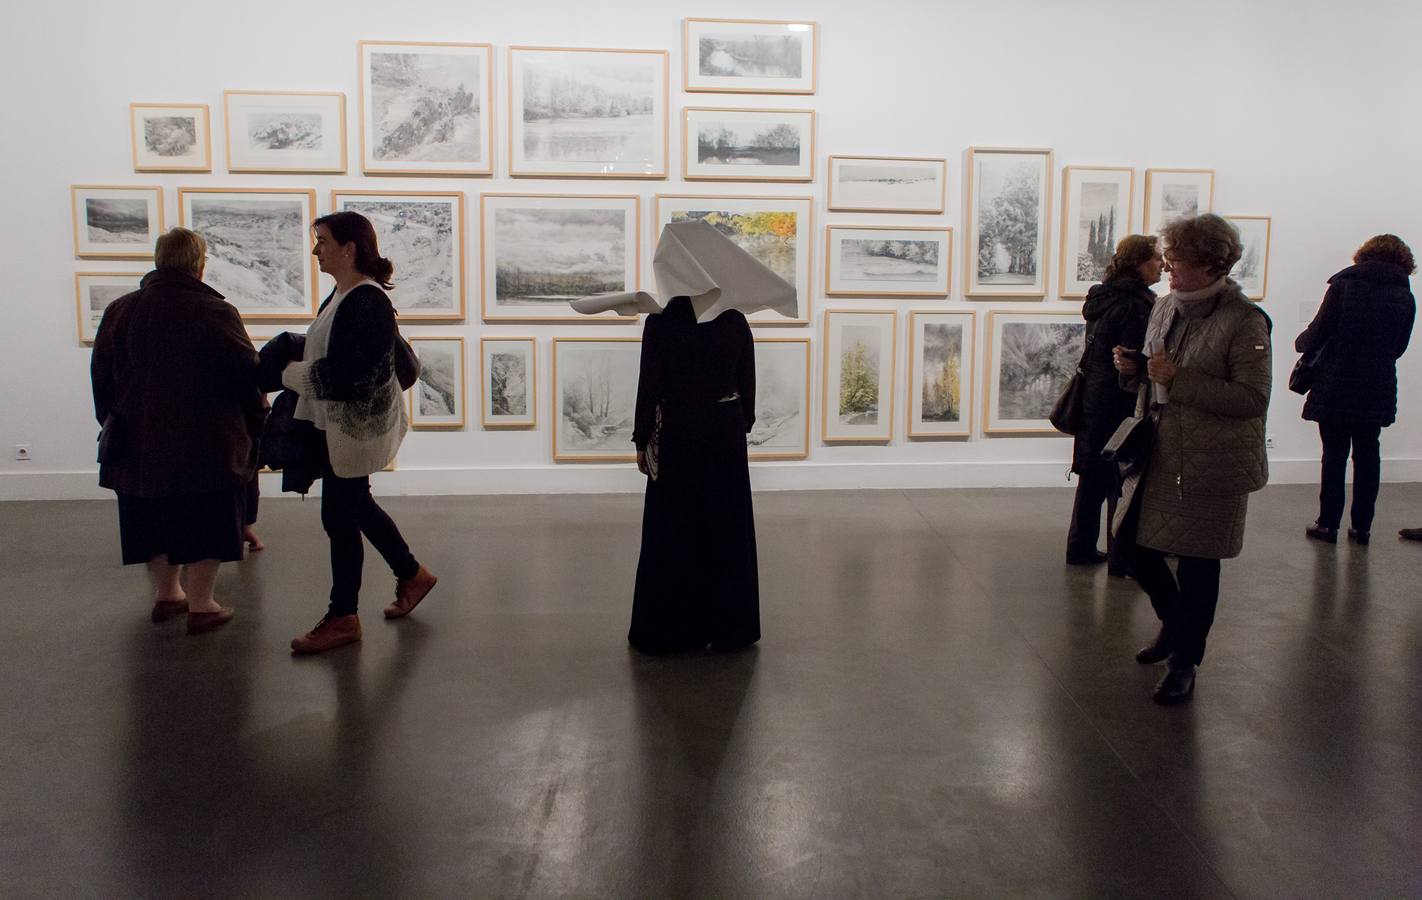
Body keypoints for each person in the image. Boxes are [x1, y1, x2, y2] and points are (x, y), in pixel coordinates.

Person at [571, 220, 795, 654]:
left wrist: (641, 440)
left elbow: (649, 385)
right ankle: (729, 627)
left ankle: (671, 629)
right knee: (725, 527)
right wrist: (737, 424)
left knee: (673, 529)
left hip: (677, 436)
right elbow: (746, 387)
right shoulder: (733, 320)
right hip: (723, 435)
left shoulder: (663, 322)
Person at [1112, 214, 1271, 704]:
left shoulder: (1245, 322)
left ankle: (1185, 661)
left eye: (1176, 261)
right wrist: (1134, 371)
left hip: (1211, 462)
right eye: (1167, 259)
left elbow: (1252, 398)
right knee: (1131, 547)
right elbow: (1156, 374)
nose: (1167, 269)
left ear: (1210, 265)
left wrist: (1177, 379)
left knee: (1200, 566)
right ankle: (1175, 628)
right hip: (1160, 451)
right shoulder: (1163, 307)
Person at [90, 227, 263, 634]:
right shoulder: (215, 312)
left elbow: (102, 376)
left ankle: (168, 595)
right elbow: (247, 375)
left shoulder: (122, 309)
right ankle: (202, 604)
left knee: (152, 517)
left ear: (158, 260)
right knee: (208, 519)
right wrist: (255, 425)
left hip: (139, 441)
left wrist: (114, 420)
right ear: (199, 264)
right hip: (208, 443)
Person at [280, 211, 436, 654]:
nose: (316, 250)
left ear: (349, 248)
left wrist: (290, 374)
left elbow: (354, 377)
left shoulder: (366, 301)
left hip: (356, 430)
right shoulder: (342, 294)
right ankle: (411, 575)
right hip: (343, 429)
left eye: (323, 241)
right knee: (353, 508)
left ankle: (344, 616)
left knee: (342, 515)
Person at [1295, 235, 1416, 545]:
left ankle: (1328, 524)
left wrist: (1302, 343)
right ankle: (1362, 527)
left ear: (1365, 254)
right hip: (1377, 384)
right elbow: (1399, 347)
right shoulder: (1404, 295)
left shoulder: (1344, 285)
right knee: (1368, 454)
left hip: (1336, 381)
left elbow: (1320, 330)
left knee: (1333, 455)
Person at [1066, 235, 1161, 575]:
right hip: (1121, 401)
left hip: (1094, 398)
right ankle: (1122, 558)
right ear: (1139, 263)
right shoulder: (1136, 305)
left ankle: (1080, 547)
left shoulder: (1102, 297)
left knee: (1093, 477)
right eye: (1156, 259)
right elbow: (1135, 358)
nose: (1162, 265)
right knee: (1121, 478)